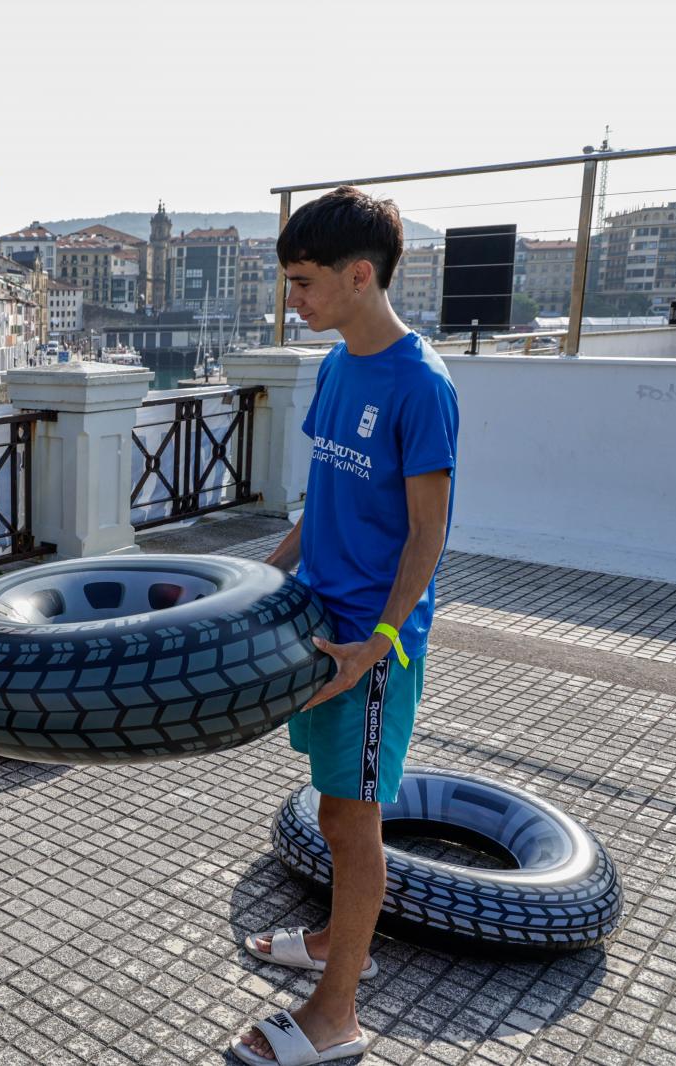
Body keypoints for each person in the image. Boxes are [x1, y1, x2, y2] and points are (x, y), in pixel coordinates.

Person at [231, 186, 458, 1066]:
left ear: (360, 275)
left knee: (355, 823)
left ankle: (338, 1016)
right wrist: (265, 576)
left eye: (304, 282)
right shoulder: (335, 367)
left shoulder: (421, 384)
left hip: (369, 647)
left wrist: (379, 647)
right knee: (333, 810)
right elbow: (322, 502)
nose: (292, 299)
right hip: (319, 625)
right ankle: (335, 941)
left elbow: (429, 534)